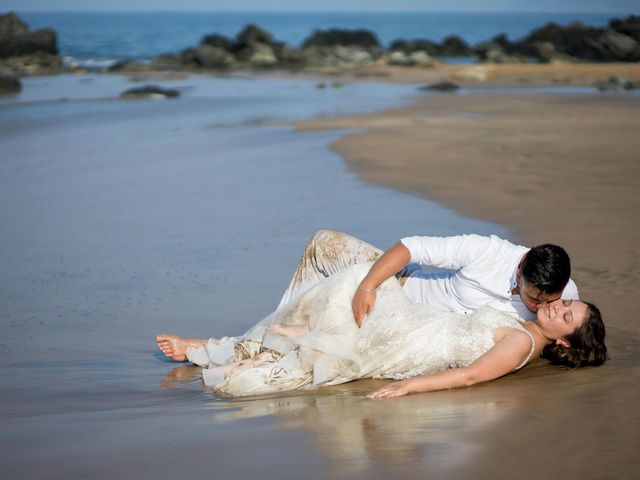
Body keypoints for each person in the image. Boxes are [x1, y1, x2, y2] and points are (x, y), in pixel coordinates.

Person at [156, 261, 606, 398]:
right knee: (352, 288)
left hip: (409, 346)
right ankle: (224, 345)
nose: (559, 306)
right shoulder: (526, 322)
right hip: (416, 325)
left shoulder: (522, 342)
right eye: (566, 302)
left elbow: (471, 375)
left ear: (564, 340)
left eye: (566, 315)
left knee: (341, 312)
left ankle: (219, 349)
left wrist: (410, 387)